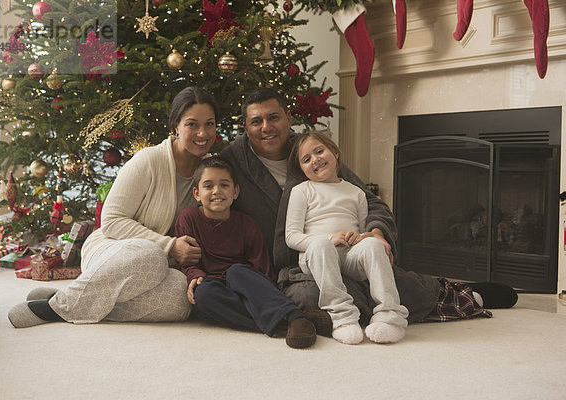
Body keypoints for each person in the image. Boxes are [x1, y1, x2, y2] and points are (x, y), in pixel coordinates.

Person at [219, 87, 517, 332]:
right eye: (256, 121)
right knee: (309, 296)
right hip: (298, 266)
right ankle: (394, 305)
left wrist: (376, 232)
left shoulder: (313, 150)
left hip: (349, 254)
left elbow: (368, 201)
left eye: (274, 117)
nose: (266, 127)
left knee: (385, 275)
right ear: (245, 127)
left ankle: (454, 293)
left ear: (288, 118)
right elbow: (207, 198)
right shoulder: (232, 161)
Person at [8, 87, 219, 328]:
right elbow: (112, 220)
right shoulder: (149, 160)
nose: (203, 133)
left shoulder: (210, 172)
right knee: (150, 254)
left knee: (181, 299)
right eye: (192, 124)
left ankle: (73, 299)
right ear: (175, 126)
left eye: (210, 124)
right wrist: (169, 245)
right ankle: (54, 308)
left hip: (157, 269)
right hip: (113, 250)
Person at [174, 156, 317, 349]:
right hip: (218, 291)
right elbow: (188, 261)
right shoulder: (188, 218)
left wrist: (266, 291)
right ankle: (291, 320)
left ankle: (289, 317)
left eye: (224, 185)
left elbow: (262, 268)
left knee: (237, 272)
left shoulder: (247, 223)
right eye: (208, 186)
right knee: (203, 294)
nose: (217, 191)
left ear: (235, 192)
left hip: (247, 288)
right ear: (197, 193)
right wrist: (195, 275)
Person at [285, 130, 408, 345]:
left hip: (349, 254)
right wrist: (328, 238)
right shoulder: (302, 191)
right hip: (316, 255)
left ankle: (389, 316)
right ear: (302, 170)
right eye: (306, 159)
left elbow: (362, 229)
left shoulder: (356, 192)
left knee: (372, 244)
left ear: (335, 152)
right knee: (320, 244)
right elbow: (291, 236)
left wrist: (359, 236)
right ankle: (342, 317)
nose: (315, 159)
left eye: (319, 151)